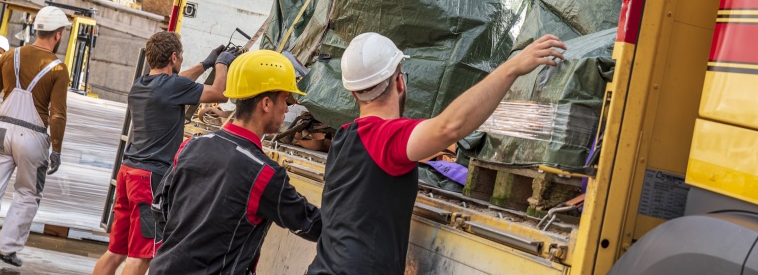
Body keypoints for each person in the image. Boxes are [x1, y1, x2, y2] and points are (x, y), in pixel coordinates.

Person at [306, 32, 566, 274]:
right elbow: (450, 126)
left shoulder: (343, 136)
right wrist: (513, 67)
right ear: (399, 81)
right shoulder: (386, 137)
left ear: (352, 92)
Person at [150, 50, 322, 275]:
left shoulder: (191, 146)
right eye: (286, 99)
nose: (288, 108)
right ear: (267, 103)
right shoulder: (264, 174)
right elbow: (311, 224)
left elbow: (159, 208)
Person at [93, 32, 236, 275]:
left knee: (116, 251)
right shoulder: (174, 87)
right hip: (148, 179)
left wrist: (205, 63)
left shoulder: (140, 84)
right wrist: (222, 64)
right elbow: (220, 93)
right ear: (173, 57)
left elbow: (178, 81)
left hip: (127, 174)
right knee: (141, 256)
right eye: (180, 56)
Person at [0, 6, 72, 269]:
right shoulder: (57, 68)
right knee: (27, 193)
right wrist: (56, 148)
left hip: (1, 130)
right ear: (58, 34)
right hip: (32, 138)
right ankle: (7, 248)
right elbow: (57, 115)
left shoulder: (10, 56)